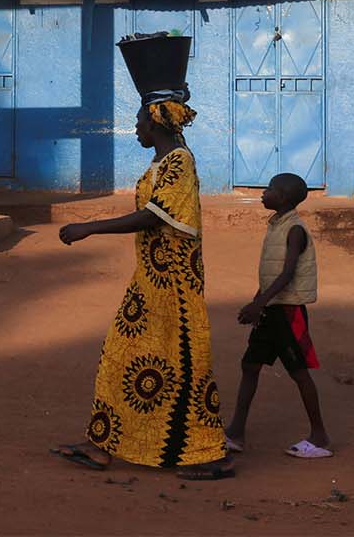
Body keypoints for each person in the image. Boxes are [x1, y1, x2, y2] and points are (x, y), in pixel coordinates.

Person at [51, 92, 233, 481]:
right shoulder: (162, 162)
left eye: (139, 124)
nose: (135, 130)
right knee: (123, 356)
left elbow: (155, 216)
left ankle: (206, 453)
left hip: (175, 287)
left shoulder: (179, 163)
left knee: (184, 363)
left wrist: (89, 228)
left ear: (155, 125)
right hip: (151, 279)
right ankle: (103, 444)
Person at [223, 172, 333, 459]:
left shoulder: (294, 229)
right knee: (250, 365)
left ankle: (319, 436)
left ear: (283, 197)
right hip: (271, 310)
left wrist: (259, 304)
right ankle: (235, 433)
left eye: (269, 188)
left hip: (288, 311)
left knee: (299, 373)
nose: (263, 192)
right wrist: (258, 302)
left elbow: (287, 274)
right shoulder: (276, 225)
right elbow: (271, 272)